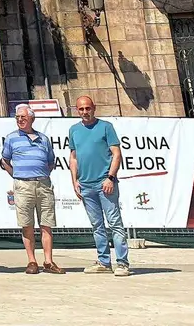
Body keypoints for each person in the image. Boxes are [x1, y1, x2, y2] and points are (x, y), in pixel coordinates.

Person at [69, 95, 131, 277]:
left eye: (87, 108)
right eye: (81, 109)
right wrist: (75, 180)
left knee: (115, 223)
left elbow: (116, 154)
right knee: (97, 225)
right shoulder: (73, 130)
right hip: (86, 185)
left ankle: (122, 263)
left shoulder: (106, 127)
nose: (85, 112)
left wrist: (110, 178)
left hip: (105, 184)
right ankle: (104, 261)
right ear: (77, 110)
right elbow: (73, 157)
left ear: (94, 108)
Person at [1, 103, 63, 274]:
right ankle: (32, 261)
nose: (20, 120)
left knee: (46, 224)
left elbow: (51, 161)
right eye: (17, 117)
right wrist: (17, 175)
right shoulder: (11, 138)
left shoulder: (44, 138)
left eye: (23, 117)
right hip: (23, 185)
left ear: (32, 119)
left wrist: (41, 174)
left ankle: (48, 261)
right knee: (27, 225)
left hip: (43, 184)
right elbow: (5, 161)